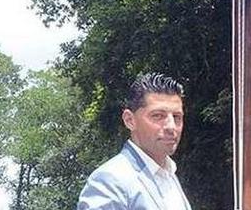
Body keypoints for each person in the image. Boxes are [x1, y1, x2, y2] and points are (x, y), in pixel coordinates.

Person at [78, 72, 191, 210]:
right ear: (129, 120)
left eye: (177, 117)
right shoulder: (110, 180)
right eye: (158, 116)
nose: (171, 126)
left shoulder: (169, 174)